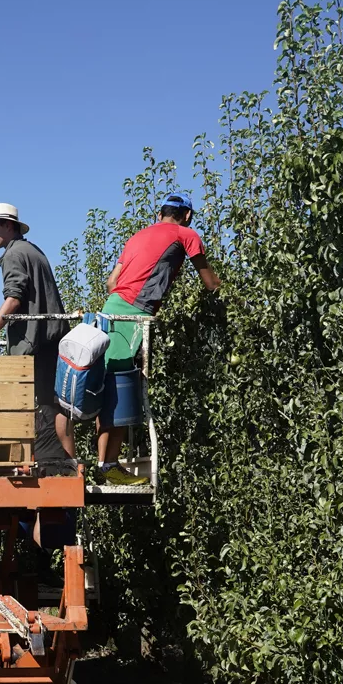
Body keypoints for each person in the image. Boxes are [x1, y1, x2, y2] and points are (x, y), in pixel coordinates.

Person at [97, 193, 221, 485]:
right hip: (133, 314)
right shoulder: (186, 234)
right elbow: (211, 284)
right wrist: (240, 304)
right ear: (187, 215)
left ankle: (104, 464)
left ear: (160, 213)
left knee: (108, 384)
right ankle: (109, 465)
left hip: (110, 310)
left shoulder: (136, 237)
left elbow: (112, 282)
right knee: (122, 387)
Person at [0, 203, 74, 465]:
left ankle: (49, 464)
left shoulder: (14, 254)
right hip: (52, 339)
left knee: (30, 404)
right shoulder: (33, 250)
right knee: (54, 403)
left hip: (34, 343)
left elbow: (14, 297)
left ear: (9, 225)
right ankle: (67, 463)